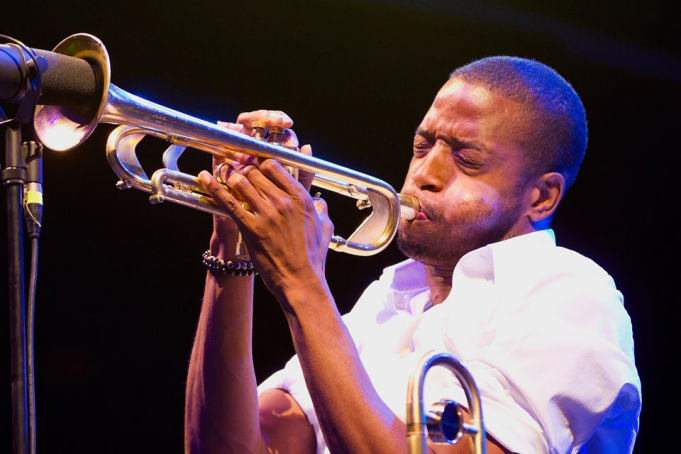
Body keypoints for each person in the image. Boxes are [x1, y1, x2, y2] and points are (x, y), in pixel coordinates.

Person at [185, 57, 641, 453]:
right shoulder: (387, 299)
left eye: (466, 159)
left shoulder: (570, 294)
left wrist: (302, 282)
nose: (424, 174)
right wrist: (234, 251)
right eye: (423, 146)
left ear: (541, 197)